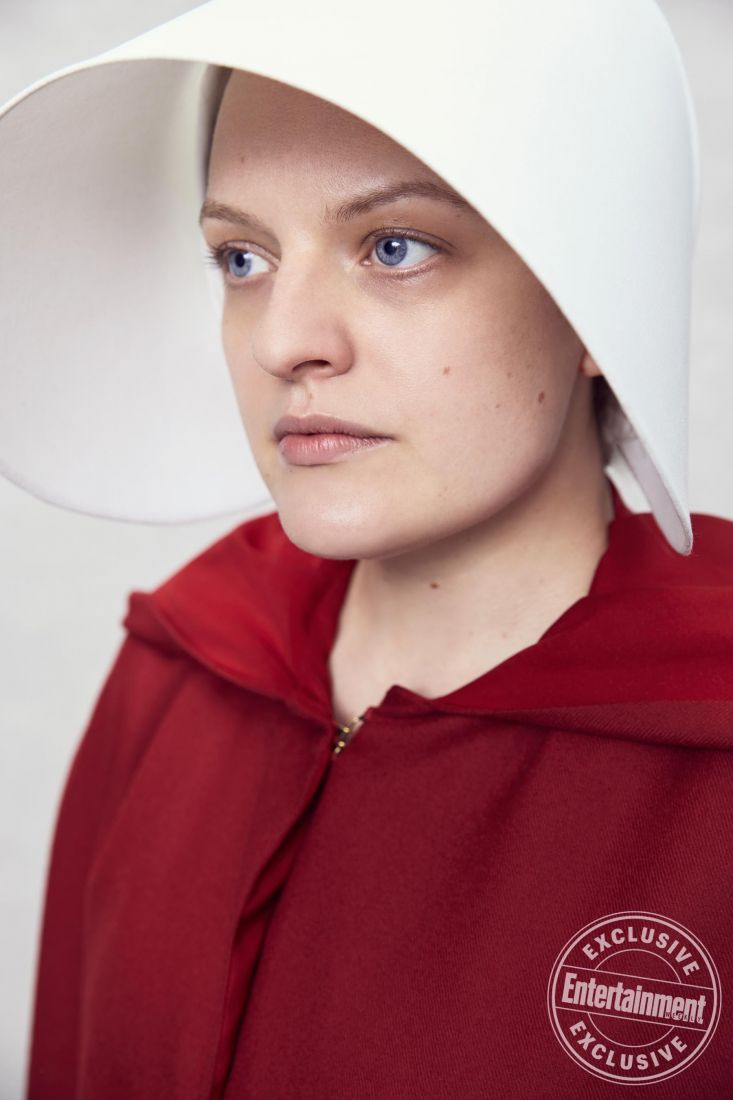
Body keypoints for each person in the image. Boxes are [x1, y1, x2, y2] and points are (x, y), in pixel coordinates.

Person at [0, 0, 730, 1096]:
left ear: (594, 302)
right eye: (242, 257)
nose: (284, 339)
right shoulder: (181, 668)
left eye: (395, 248)